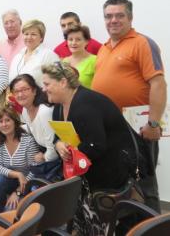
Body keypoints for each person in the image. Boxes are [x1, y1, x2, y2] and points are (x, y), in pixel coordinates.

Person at [42, 62, 138, 235]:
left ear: (63, 82)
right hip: (86, 172)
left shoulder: (86, 104)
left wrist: (70, 153)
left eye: (47, 84)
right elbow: (58, 137)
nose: (44, 89)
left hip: (109, 173)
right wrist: (59, 145)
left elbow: (96, 146)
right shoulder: (58, 106)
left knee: (104, 224)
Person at [92, 0, 167, 213]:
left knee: (145, 184)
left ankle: (153, 228)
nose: (113, 20)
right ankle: (126, 225)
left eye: (119, 15)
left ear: (130, 18)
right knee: (118, 182)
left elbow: (158, 83)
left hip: (139, 129)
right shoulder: (104, 48)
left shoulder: (142, 43)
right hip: (110, 129)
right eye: (108, 16)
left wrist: (153, 123)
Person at [0, 107, 40, 213]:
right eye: (1, 121)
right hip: (10, 180)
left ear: (15, 122)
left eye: (8, 120)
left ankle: (8, 211)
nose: (4, 124)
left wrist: (17, 192)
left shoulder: (27, 141)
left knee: (11, 211)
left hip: (28, 182)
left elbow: (35, 170)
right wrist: (18, 174)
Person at [10, 74, 59, 172]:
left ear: (34, 91)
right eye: (16, 91)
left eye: (24, 90)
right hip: (42, 154)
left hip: (55, 161)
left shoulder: (44, 112)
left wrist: (44, 157)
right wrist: (7, 131)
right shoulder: (25, 110)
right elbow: (31, 127)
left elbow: (54, 149)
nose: (20, 94)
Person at [9, 20, 59, 85]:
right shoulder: (18, 56)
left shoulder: (48, 55)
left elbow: (57, 81)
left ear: (41, 37)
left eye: (33, 34)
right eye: (26, 34)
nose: (29, 37)